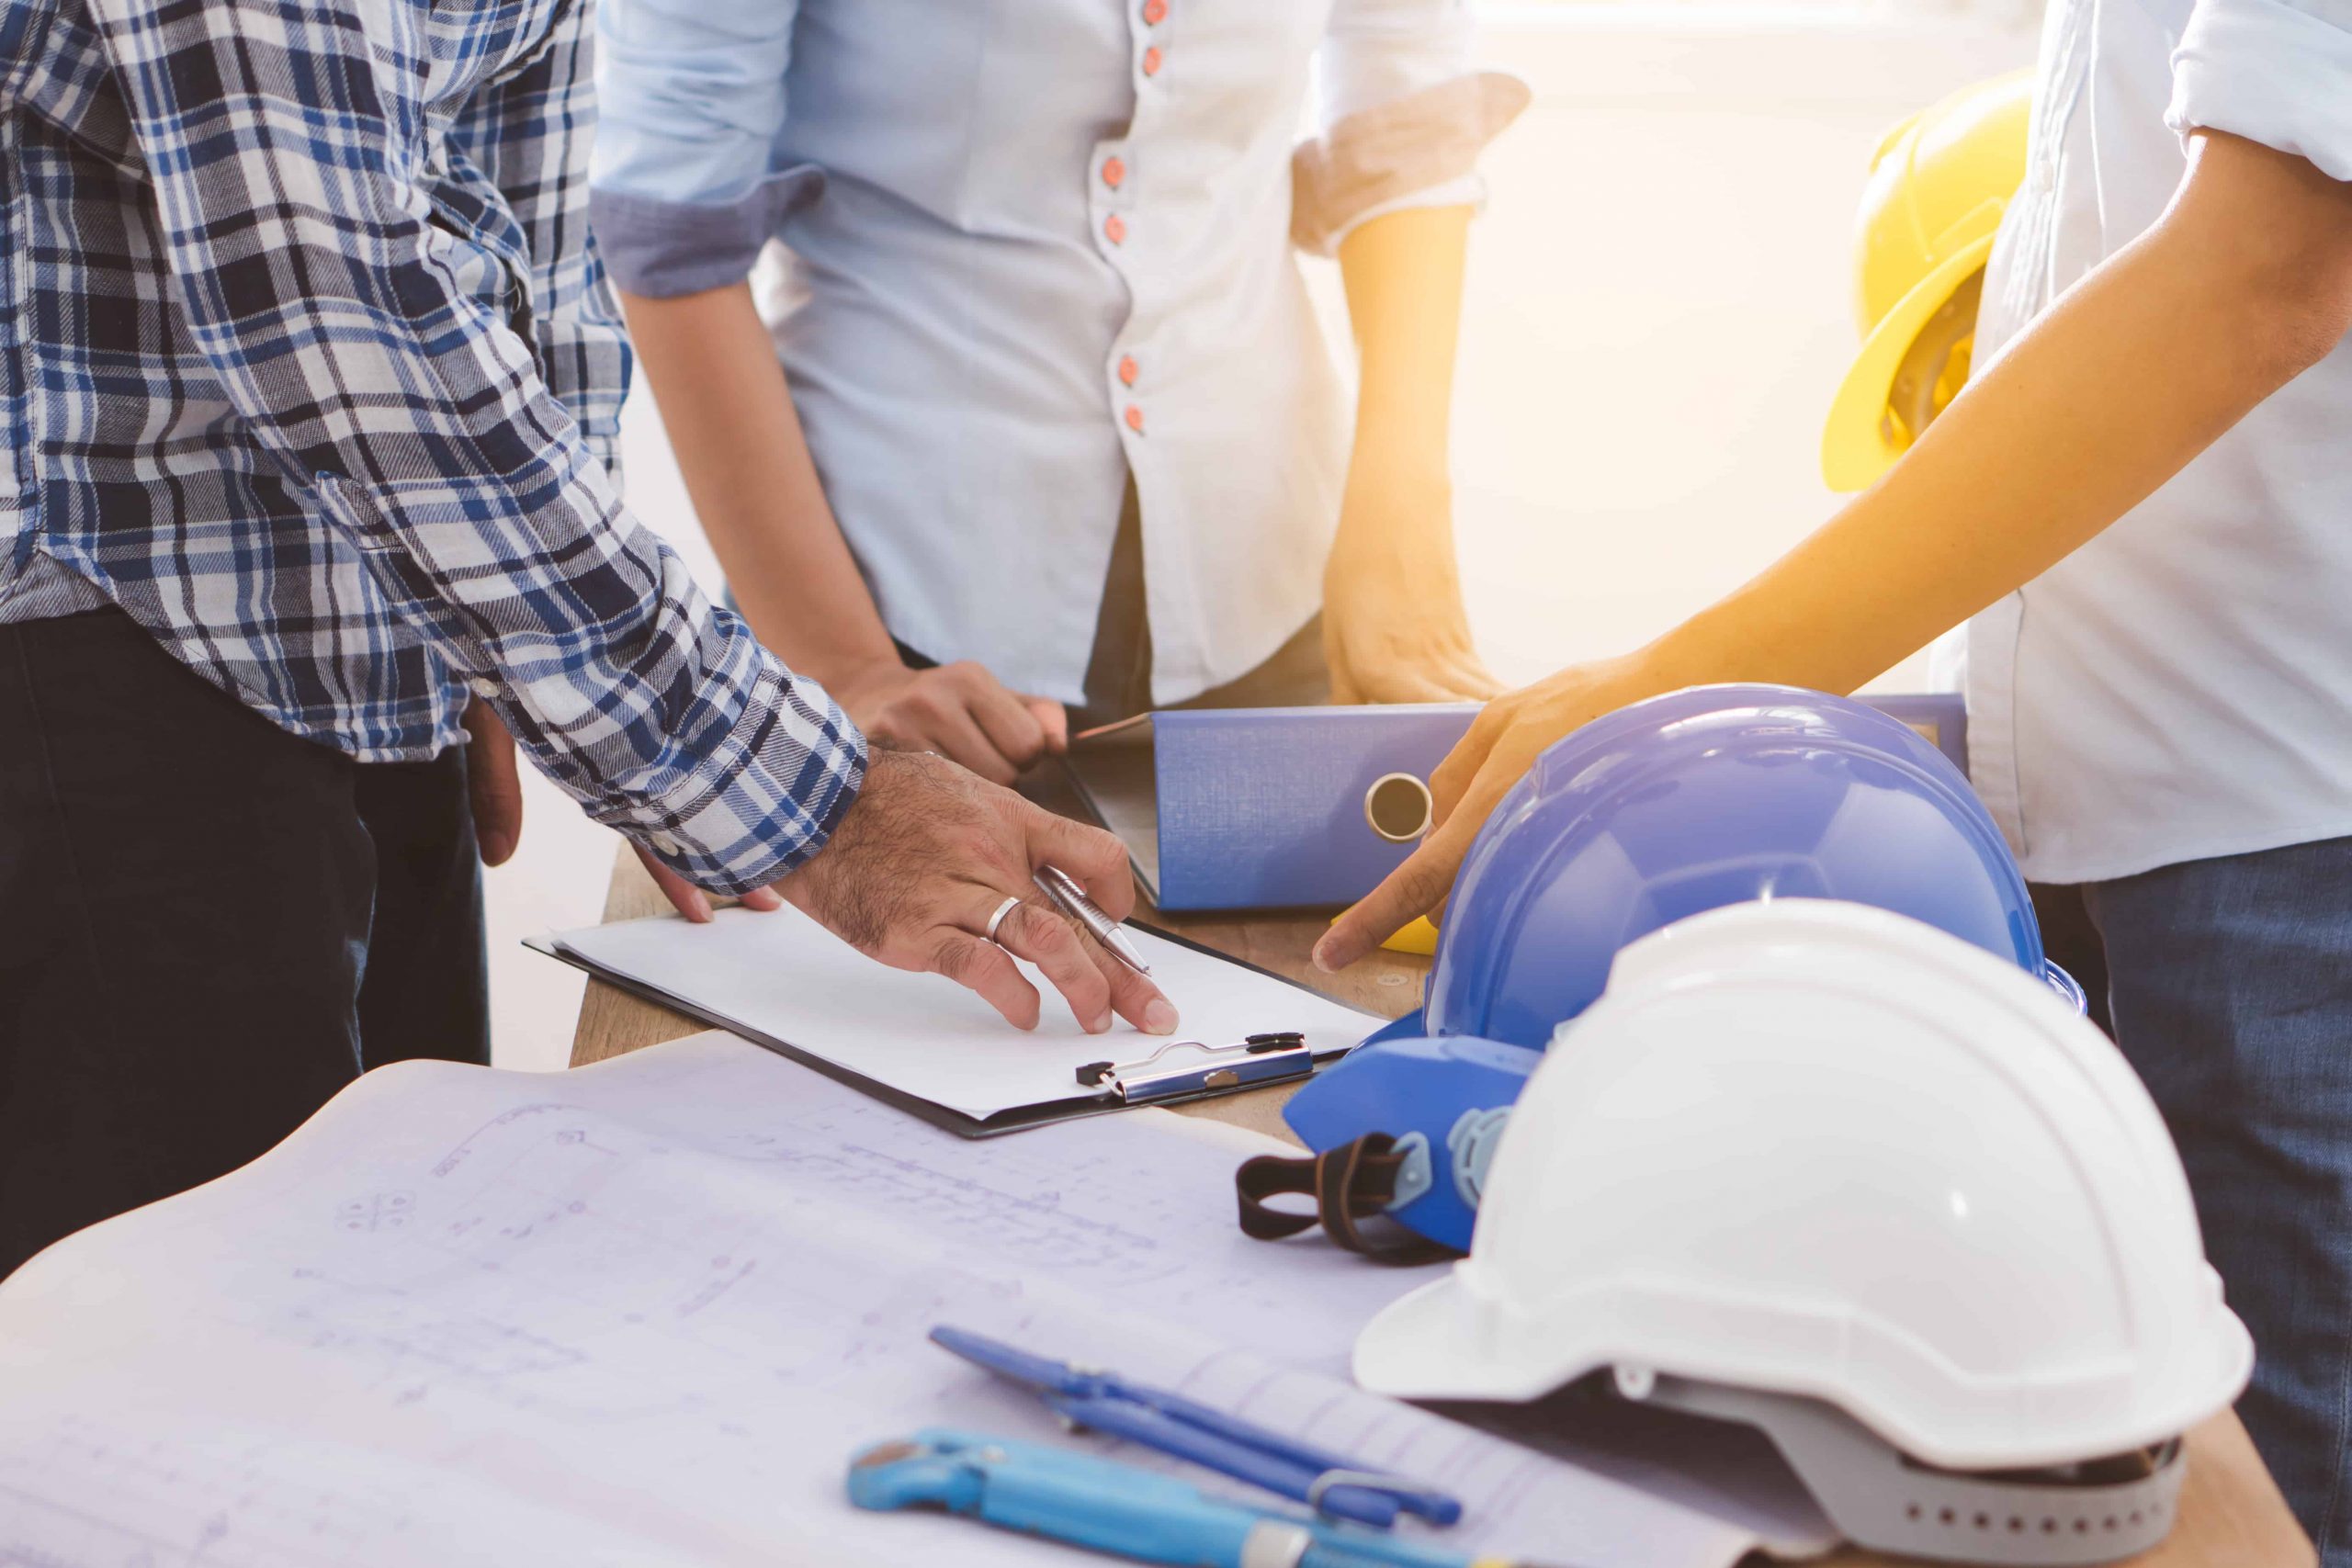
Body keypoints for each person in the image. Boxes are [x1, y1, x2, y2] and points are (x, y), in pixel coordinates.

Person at [1319, 7, 2352, 1553]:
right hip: (2142, 825)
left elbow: (2268, 269)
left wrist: (1673, 682)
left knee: (2251, 1513)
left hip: (2272, 845)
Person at [0, 0, 1170, 1280]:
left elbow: (522, 208)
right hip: (101, 646)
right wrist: (802, 791)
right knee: (206, 1358)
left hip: (370, 624)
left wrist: (533, 659)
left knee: (417, 1287)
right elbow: (327, 295)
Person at [585, 0, 1526, 785]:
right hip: (887, 608)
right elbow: (674, 220)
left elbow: (1405, 108)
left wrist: (1403, 523)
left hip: (1281, 575)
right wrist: (843, 666)